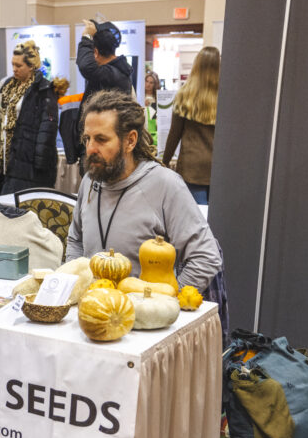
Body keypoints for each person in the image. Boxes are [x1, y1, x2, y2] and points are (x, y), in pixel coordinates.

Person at [66, 89, 221, 290]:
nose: (90, 149)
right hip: (92, 314)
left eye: (101, 139)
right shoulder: (90, 180)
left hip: (141, 317)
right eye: (87, 139)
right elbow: (75, 239)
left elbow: (205, 257)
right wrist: (74, 287)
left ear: (130, 140)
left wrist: (165, 305)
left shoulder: (165, 184)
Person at [0, 40, 58, 195]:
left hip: (28, 160)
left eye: (19, 66)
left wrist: (40, 164)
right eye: (13, 65)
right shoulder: (8, 86)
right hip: (7, 158)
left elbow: (47, 128)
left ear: (31, 66)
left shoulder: (44, 89)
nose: (14, 69)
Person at [162, 46, 220, 204]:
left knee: (195, 220)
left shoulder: (184, 95)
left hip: (192, 167)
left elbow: (174, 134)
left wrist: (165, 162)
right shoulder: (225, 96)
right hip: (218, 167)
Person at [72, 19, 133, 164]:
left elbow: (86, 67)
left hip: (102, 149)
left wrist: (86, 37)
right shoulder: (117, 71)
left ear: (96, 52)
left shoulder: (111, 74)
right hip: (103, 143)